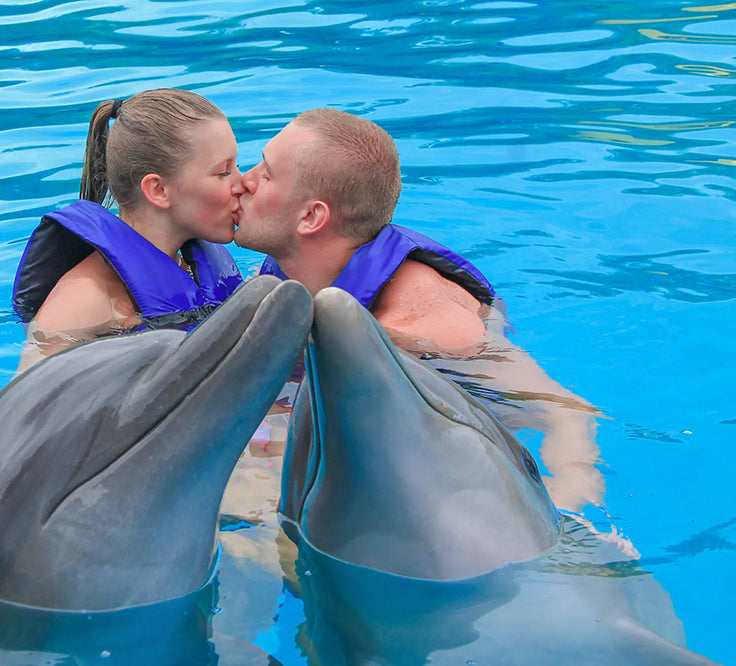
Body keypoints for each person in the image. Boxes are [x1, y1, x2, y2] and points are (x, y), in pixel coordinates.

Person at [233, 108, 611, 521]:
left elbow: (565, 412)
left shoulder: (424, 327)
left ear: (311, 217)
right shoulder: (294, 268)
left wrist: (566, 505)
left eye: (266, 174)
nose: (243, 181)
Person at [12, 88, 245, 370]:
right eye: (223, 172)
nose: (242, 184)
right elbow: (31, 401)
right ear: (158, 190)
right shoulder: (84, 302)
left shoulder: (192, 267)